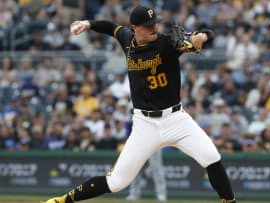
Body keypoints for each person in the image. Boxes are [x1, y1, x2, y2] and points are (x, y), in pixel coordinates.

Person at [42, 5, 236, 203]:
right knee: (117, 182)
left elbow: (206, 34)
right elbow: (110, 27)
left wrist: (200, 38)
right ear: (135, 27)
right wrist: (88, 24)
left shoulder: (167, 43)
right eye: (148, 25)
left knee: (211, 157)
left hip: (176, 119)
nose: (154, 28)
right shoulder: (127, 39)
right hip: (145, 124)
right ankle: (61, 201)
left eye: (155, 23)